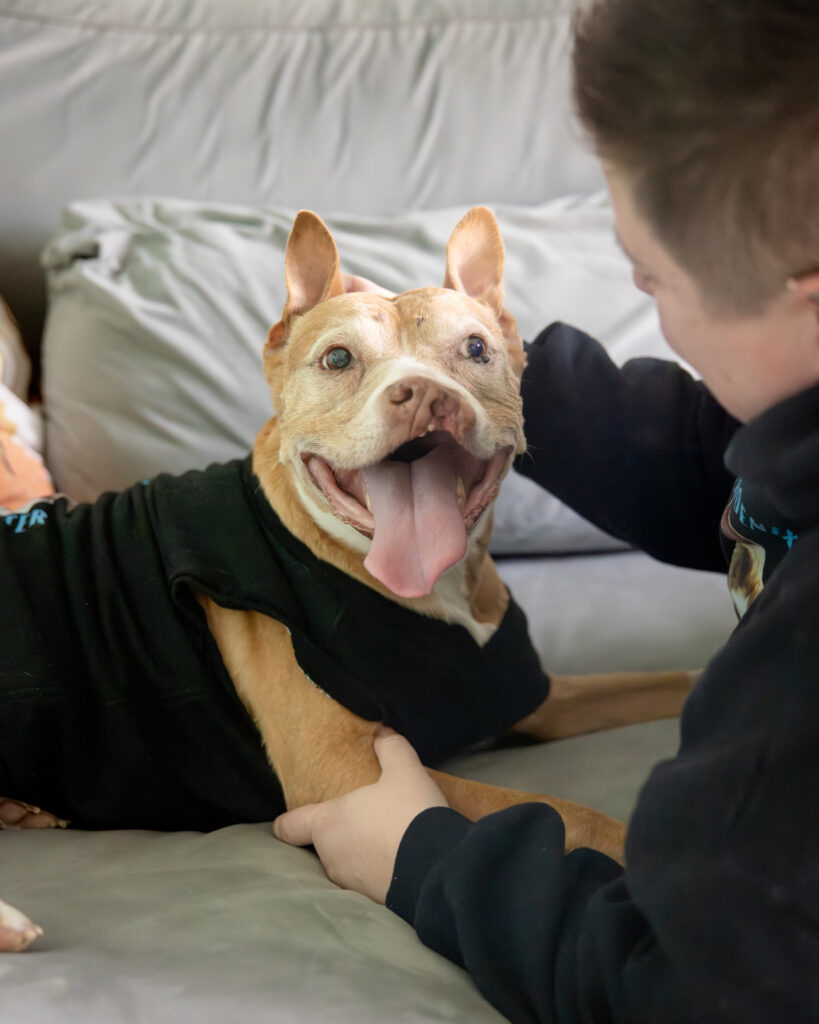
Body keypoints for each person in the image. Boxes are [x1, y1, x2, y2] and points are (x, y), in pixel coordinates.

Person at [272, 1, 819, 1020]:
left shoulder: (794, 689)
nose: (650, 300)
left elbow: (673, 986)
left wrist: (421, 855)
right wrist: (488, 374)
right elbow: (738, 471)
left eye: (648, 273)